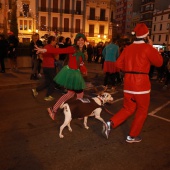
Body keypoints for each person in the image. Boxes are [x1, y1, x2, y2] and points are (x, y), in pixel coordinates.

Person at [102, 23, 163, 143]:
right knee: (142, 110)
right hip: (141, 85)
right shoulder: (147, 48)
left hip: (129, 83)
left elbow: (118, 64)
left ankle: (111, 123)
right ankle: (132, 136)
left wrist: (129, 71)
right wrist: (152, 47)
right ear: (146, 36)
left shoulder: (128, 48)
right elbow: (160, 62)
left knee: (128, 108)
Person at [35, 33, 87, 120]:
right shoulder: (72, 48)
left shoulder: (80, 51)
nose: (80, 42)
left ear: (84, 41)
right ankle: (77, 113)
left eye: (82, 40)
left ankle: (53, 109)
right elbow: (59, 51)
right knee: (80, 94)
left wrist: (84, 69)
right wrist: (44, 50)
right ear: (76, 41)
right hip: (72, 74)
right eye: (79, 40)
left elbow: (80, 63)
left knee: (70, 94)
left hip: (75, 73)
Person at [32, 36, 58, 101]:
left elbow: (40, 55)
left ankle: (36, 89)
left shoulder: (46, 47)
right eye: (55, 41)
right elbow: (57, 58)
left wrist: (44, 60)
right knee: (54, 81)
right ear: (52, 41)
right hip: (50, 67)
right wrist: (57, 49)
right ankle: (47, 96)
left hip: (45, 67)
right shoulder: (52, 48)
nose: (56, 42)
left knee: (47, 82)